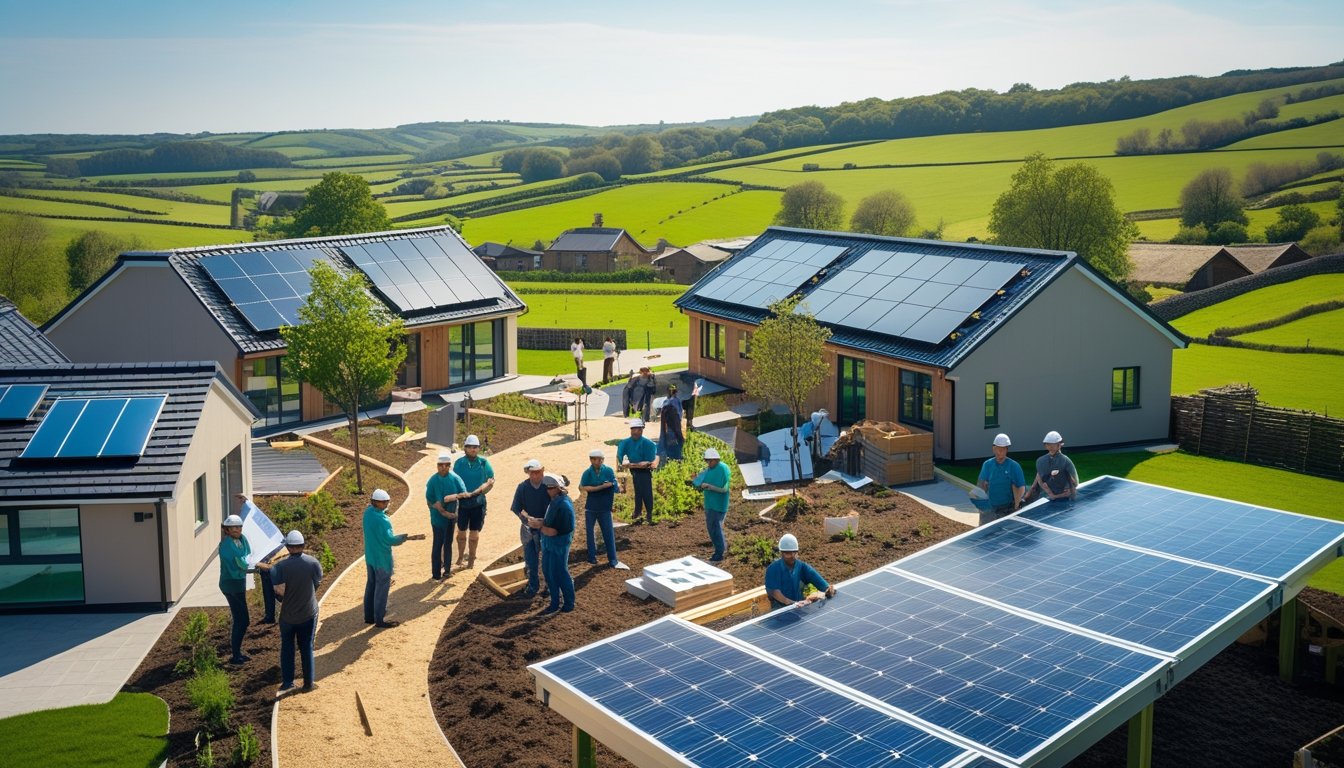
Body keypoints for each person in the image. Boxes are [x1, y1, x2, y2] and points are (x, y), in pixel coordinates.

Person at [270, 530, 323, 693]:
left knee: (287, 648)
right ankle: (308, 684)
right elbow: (317, 583)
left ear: (288, 547)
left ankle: (287, 683)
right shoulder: (313, 563)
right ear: (303, 545)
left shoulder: (279, 567)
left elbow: (277, 590)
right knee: (306, 647)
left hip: (287, 617)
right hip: (308, 613)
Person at [363, 488, 425, 628]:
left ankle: (369, 616)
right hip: (382, 560)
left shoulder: (367, 513)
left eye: (387, 502)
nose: (386, 504)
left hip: (370, 557)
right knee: (382, 589)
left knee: (371, 585)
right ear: (377, 502)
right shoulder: (383, 520)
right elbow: (390, 540)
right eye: (384, 502)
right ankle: (379, 619)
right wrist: (403, 538)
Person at [453, 434, 495, 571]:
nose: (473, 449)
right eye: (470, 447)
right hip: (463, 502)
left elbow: (491, 479)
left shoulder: (483, 463)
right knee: (461, 532)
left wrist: (482, 490)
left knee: (474, 533)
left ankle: (471, 558)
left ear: (478, 448)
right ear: (465, 448)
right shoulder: (459, 463)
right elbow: (453, 480)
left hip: (478, 502)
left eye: (475, 447)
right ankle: (460, 556)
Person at [580, 449, 627, 570]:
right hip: (591, 508)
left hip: (605, 507)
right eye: (595, 459)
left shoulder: (608, 471)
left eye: (601, 459)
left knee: (608, 534)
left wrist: (617, 487)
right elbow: (583, 487)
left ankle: (612, 559)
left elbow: (614, 485)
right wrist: (601, 486)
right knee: (590, 534)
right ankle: (591, 557)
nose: (598, 461)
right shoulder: (587, 473)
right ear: (591, 460)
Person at [510, 458, 550, 597]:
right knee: (531, 560)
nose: (535, 476)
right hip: (528, 528)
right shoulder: (522, 487)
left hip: (545, 527)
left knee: (547, 559)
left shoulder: (548, 487)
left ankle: (550, 586)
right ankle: (533, 586)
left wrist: (544, 521)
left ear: (542, 471)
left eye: (538, 472)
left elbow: (555, 505)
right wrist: (525, 518)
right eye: (532, 473)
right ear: (528, 473)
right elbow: (516, 507)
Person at [765, 533, 836, 610]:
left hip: (799, 609)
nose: (792, 556)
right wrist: (793, 603)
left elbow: (821, 583)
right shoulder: (773, 569)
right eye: (788, 553)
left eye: (794, 552)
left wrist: (828, 590)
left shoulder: (802, 567)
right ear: (781, 553)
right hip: (779, 612)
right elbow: (775, 593)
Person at [426, 451, 467, 580]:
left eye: (446, 465)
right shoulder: (432, 480)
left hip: (451, 518)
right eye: (440, 465)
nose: (443, 468)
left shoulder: (455, 479)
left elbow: (464, 494)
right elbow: (429, 499)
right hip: (437, 519)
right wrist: (436, 507)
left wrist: (455, 502)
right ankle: (436, 573)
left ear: (449, 466)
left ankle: (447, 570)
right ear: (437, 466)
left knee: (448, 543)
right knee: (437, 544)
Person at [540, 474, 576, 614]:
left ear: (559, 488)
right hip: (549, 543)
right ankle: (554, 602)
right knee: (548, 571)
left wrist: (540, 527)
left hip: (559, 544)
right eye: (547, 488)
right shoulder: (555, 501)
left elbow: (557, 530)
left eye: (551, 488)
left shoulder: (564, 505)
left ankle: (568, 603)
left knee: (560, 572)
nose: (548, 490)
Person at [218, 514, 252, 664]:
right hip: (231, 584)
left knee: (242, 620)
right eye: (234, 527)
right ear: (227, 530)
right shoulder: (226, 546)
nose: (237, 529)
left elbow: (247, 555)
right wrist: (251, 565)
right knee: (241, 620)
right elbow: (239, 562)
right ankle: (235, 655)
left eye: (239, 527)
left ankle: (237, 652)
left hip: (239, 584)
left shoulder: (242, 540)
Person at [692, 447, 732, 562]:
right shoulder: (709, 470)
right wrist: (695, 480)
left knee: (716, 529)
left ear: (716, 459)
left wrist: (709, 486)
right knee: (712, 529)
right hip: (709, 504)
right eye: (706, 461)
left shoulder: (723, 469)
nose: (708, 463)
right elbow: (698, 482)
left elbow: (724, 489)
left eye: (709, 461)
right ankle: (719, 550)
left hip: (719, 505)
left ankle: (720, 553)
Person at [977, 433, 1025, 525]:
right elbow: (981, 485)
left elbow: (1021, 487)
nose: (1000, 453)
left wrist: (1016, 505)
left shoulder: (1014, 466)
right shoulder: (987, 465)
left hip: (1007, 508)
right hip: (990, 507)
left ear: (1007, 450)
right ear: (993, 449)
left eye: (1002, 450)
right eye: (997, 450)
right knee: (984, 534)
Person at [617, 418, 657, 524]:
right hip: (634, 472)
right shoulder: (625, 443)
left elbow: (647, 463)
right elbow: (621, 458)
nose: (635, 432)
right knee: (638, 491)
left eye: (638, 429)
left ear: (642, 430)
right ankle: (637, 511)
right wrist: (633, 465)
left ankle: (649, 514)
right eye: (633, 429)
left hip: (645, 473)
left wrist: (631, 465)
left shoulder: (648, 444)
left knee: (646, 492)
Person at [1033, 430, 1078, 503]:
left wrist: (1050, 494)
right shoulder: (1066, 460)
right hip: (1064, 498)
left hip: (1047, 497)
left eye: (1051, 444)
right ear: (1060, 445)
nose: (1050, 446)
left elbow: (1039, 478)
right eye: (1049, 444)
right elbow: (1075, 483)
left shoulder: (1040, 461)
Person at [658, 384, 684, 467]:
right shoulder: (676, 401)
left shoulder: (666, 402)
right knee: (676, 440)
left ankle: (669, 459)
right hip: (673, 424)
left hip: (667, 425)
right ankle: (676, 459)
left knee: (666, 440)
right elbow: (679, 415)